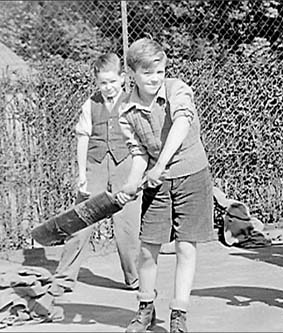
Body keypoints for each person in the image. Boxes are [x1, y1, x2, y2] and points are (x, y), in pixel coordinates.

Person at [116, 38, 215, 333]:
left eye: (160, 72)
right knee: (148, 248)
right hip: (157, 184)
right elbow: (138, 154)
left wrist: (160, 166)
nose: (156, 79)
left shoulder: (177, 89)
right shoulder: (126, 110)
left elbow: (183, 123)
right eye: (148, 74)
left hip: (192, 174)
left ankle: (178, 314)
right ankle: (146, 309)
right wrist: (131, 185)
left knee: (186, 247)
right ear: (132, 74)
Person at [49, 53, 141, 296]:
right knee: (81, 220)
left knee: (128, 224)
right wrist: (82, 174)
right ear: (96, 83)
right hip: (96, 164)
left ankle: (134, 278)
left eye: (112, 81)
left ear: (122, 78)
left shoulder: (133, 101)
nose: (108, 87)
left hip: (126, 165)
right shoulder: (90, 104)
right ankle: (64, 278)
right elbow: (82, 139)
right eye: (103, 83)